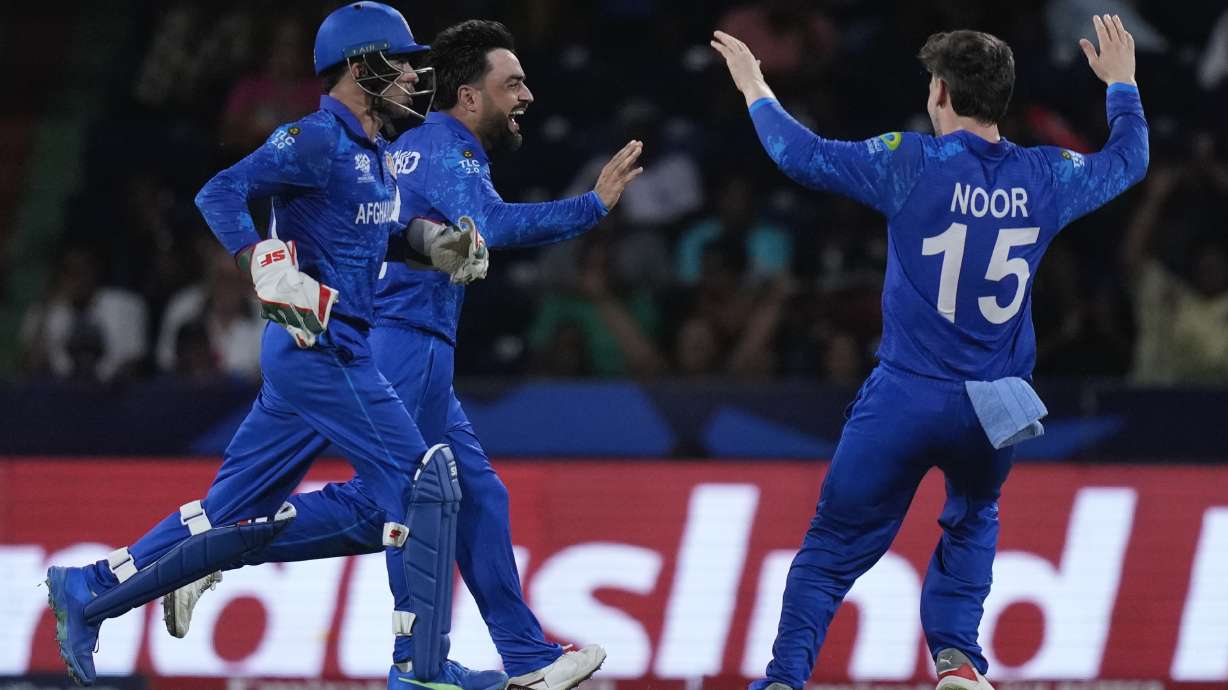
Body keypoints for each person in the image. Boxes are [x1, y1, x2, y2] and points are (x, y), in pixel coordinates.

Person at [161, 19, 642, 690]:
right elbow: (494, 226)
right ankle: (408, 660)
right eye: (513, 84)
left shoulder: (411, 144)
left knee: (480, 496)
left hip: (400, 337)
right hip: (408, 337)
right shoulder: (454, 148)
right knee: (392, 499)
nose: (527, 95)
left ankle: (527, 658)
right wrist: (592, 207)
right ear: (470, 98)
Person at [44, 5, 506, 690]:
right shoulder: (316, 138)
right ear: (362, 67)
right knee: (426, 485)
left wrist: (433, 244)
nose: (415, 74)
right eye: (401, 61)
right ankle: (421, 668)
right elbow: (220, 191)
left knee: (226, 514)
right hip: (324, 352)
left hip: (315, 355)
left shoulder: (374, 153)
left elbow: (371, 233)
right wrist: (258, 256)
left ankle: (89, 589)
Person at [710, 13, 1147, 690]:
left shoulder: (908, 161)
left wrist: (754, 86)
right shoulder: (1046, 175)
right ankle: (958, 661)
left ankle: (784, 681)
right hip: (995, 405)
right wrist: (1121, 86)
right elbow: (1129, 160)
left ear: (939, 93)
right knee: (972, 523)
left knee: (829, 553)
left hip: (907, 396)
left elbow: (799, 154)